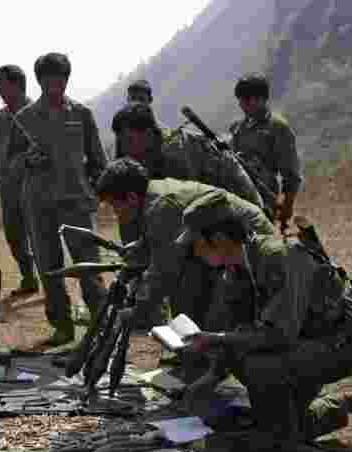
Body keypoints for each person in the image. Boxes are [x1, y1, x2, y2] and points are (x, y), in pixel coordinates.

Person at [171, 214, 352, 444]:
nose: (195, 253)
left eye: (197, 244)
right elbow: (238, 329)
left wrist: (215, 339)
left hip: (343, 342)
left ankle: (291, 425)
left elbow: (278, 335)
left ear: (220, 239)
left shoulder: (281, 258)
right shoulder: (236, 270)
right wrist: (210, 377)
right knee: (282, 425)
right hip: (304, 342)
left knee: (262, 380)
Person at [95, 158, 273, 335]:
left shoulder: (160, 206)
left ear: (132, 198)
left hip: (248, 239)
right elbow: (164, 240)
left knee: (218, 305)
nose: (115, 212)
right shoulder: (152, 197)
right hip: (225, 241)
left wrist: (138, 311)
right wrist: (142, 248)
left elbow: (163, 271)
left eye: (114, 205)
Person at [9, 52, 108, 346]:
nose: (58, 86)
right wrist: (27, 159)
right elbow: (10, 165)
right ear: (40, 81)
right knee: (49, 267)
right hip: (39, 204)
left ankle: (101, 324)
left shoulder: (81, 114)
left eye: (62, 79)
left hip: (77, 202)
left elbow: (98, 160)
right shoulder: (23, 118)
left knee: (90, 266)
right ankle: (62, 327)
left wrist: (97, 191)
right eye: (51, 80)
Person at [111, 102, 263, 213]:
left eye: (129, 140)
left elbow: (183, 208)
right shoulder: (149, 150)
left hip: (241, 209)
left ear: (149, 135)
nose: (125, 148)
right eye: (122, 141)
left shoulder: (176, 153)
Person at [0, 64, 38, 297]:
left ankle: (50, 283)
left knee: (39, 236)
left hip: (34, 185)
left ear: (16, 85)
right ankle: (29, 278)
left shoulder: (37, 112)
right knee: (14, 235)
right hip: (8, 187)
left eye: (2, 86)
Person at [229, 73, 303, 232]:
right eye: (241, 100)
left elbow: (291, 174)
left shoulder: (277, 127)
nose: (243, 104)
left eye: (248, 99)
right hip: (237, 195)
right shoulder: (237, 128)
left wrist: (287, 205)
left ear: (262, 99)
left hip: (264, 198)